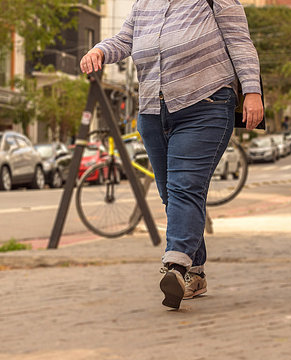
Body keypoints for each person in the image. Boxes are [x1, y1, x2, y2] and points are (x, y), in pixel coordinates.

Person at [80, 0, 264, 309]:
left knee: (185, 188)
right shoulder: (144, 5)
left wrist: (252, 91)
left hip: (206, 104)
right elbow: (125, 39)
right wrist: (99, 50)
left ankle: (175, 267)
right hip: (154, 112)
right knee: (173, 194)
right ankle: (196, 272)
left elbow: (240, 43)